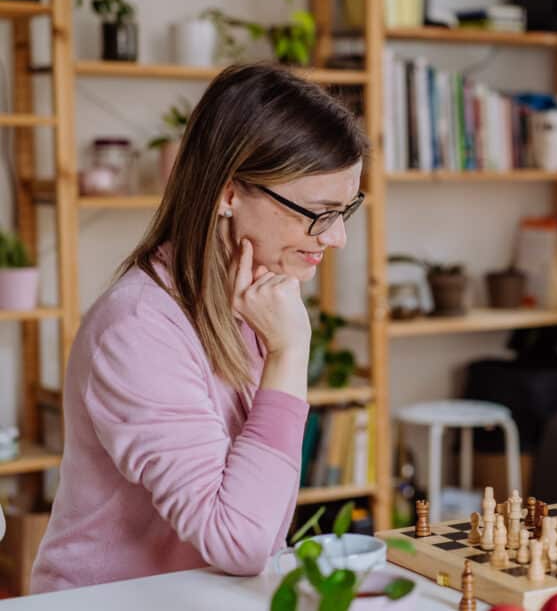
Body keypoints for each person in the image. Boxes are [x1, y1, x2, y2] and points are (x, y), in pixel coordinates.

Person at [31, 64, 368, 592]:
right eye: (319, 213)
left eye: (346, 209)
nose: (337, 237)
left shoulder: (257, 299)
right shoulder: (138, 330)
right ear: (229, 194)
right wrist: (290, 353)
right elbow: (241, 541)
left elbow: (262, 523)